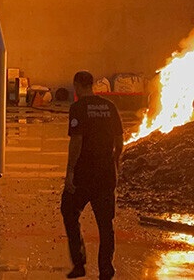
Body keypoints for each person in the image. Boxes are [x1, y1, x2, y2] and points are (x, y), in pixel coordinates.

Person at [61, 71, 124, 280]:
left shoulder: (77, 108)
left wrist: (69, 173)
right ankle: (106, 269)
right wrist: (115, 163)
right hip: (105, 174)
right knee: (106, 225)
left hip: (83, 175)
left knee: (69, 212)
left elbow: (76, 142)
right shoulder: (109, 106)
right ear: (92, 85)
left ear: (77, 85)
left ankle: (79, 264)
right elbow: (119, 140)